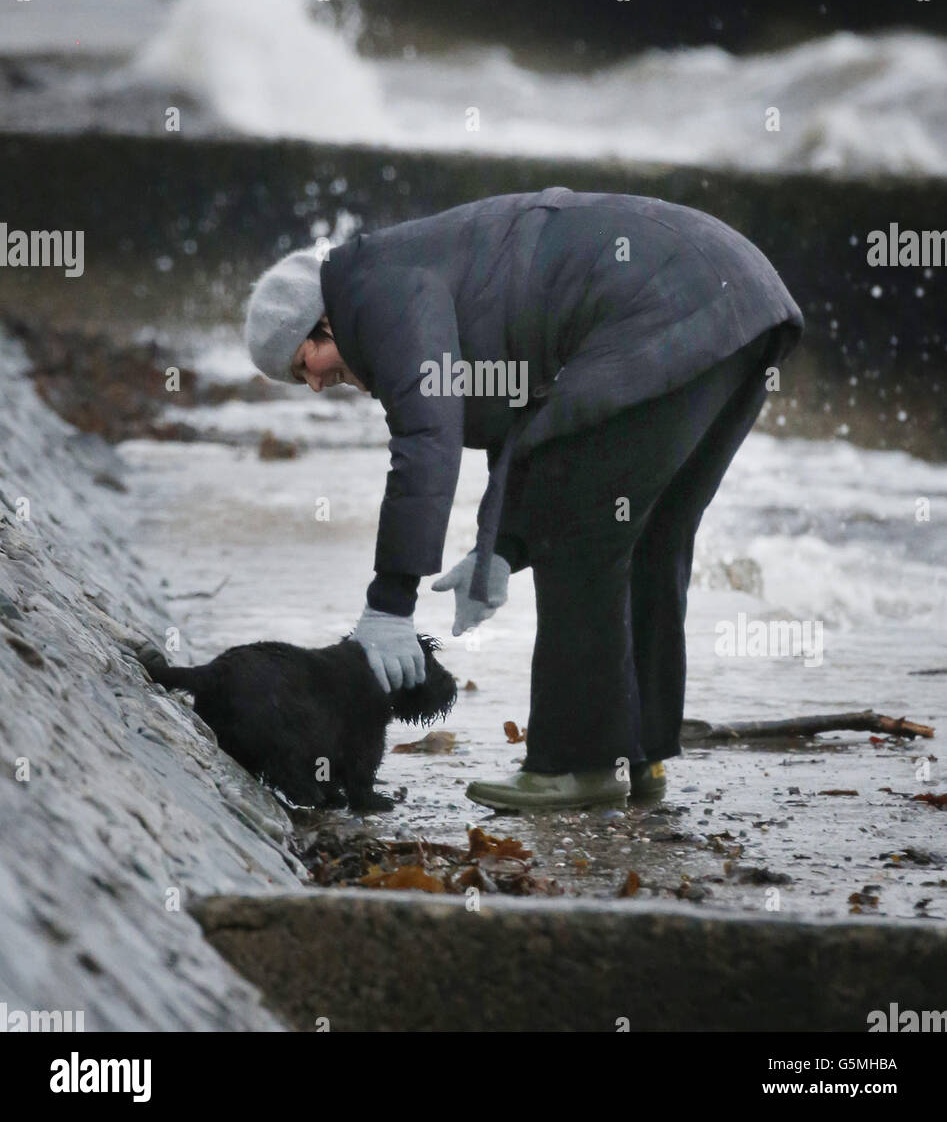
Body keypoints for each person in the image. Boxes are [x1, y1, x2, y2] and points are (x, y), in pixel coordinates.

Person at [243, 187, 803, 811]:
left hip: (676, 298)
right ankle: (635, 758)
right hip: (744, 297)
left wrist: (390, 601)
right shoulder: (398, 278)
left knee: (581, 535)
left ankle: (576, 765)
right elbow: (533, 422)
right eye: (301, 381)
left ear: (321, 319)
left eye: (305, 363)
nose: (317, 385)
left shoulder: (378, 294)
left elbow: (429, 434)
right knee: (649, 531)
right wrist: (501, 546)